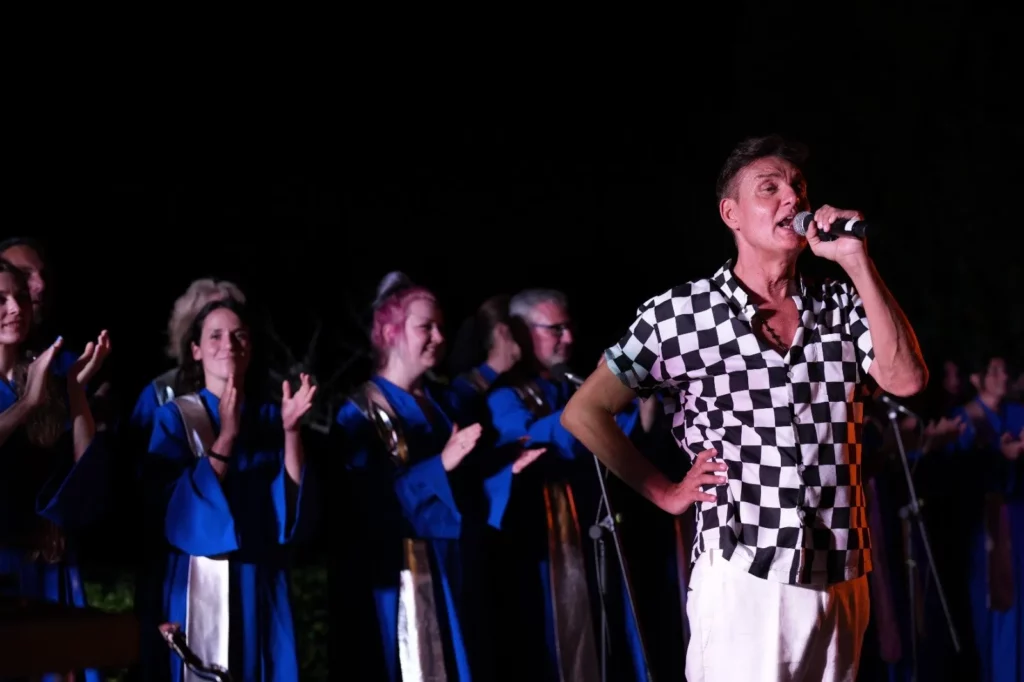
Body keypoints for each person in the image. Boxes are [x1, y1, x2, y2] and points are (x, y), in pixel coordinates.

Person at [561, 134, 928, 682]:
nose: (793, 198)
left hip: (840, 568)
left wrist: (856, 262)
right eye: (770, 188)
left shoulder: (841, 303)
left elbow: (906, 379)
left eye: (798, 187)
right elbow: (585, 411)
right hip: (745, 570)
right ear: (730, 213)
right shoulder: (681, 315)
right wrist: (666, 493)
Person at [335, 273, 543, 682]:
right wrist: (441, 464)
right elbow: (367, 505)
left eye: (440, 327)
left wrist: (505, 468)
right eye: (425, 327)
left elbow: (464, 488)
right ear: (390, 332)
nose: (438, 337)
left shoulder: (442, 402)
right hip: (407, 572)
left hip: (456, 565)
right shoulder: (361, 412)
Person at [143, 299, 317, 681]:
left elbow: (289, 506)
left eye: (239, 336)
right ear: (196, 350)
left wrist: (291, 432)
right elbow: (173, 514)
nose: (229, 345)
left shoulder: (270, 416)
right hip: (197, 576)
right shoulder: (173, 419)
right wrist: (226, 437)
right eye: (216, 336)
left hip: (259, 576)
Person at [0, 258, 112, 682]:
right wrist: (26, 403)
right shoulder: (31, 389)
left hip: (46, 562)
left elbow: (83, 464)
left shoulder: (44, 371)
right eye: (1, 299)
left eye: (21, 298)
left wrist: (75, 390)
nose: (16, 308)